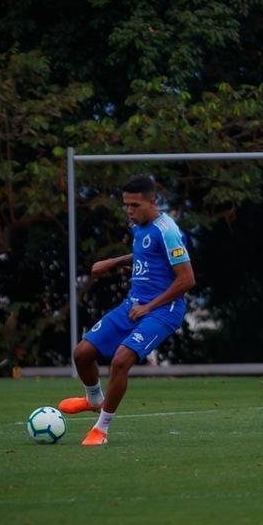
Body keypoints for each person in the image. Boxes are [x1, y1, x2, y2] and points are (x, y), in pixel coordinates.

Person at [58, 175, 196, 446]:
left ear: (152, 202)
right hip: (133, 305)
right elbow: (147, 256)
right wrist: (113, 262)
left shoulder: (167, 230)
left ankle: (102, 429)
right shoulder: (139, 227)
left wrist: (148, 307)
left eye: (135, 205)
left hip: (163, 310)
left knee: (121, 361)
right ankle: (94, 399)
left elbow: (187, 280)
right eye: (126, 205)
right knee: (82, 353)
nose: (129, 211)